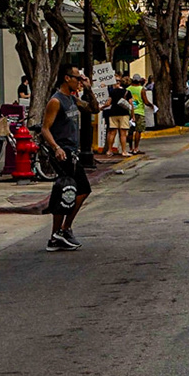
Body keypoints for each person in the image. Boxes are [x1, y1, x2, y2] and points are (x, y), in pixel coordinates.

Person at [39, 64, 92, 251]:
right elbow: (45, 128)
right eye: (77, 77)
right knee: (68, 190)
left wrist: (89, 88)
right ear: (66, 78)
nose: (79, 80)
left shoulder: (73, 99)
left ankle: (62, 231)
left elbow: (94, 109)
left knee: (78, 191)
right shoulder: (56, 101)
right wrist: (56, 148)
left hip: (73, 152)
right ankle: (58, 234)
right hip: (64, 152)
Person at [104, 77, 132, 156]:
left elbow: (108, 103)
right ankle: (124, 151)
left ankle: (109, 150)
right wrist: (132, 115)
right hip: (124, 113)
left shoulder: (113, 91)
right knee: (123, 133)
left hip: (113, 113)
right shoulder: (127, 92)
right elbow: (131, 104)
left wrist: (101, 107)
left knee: (112, 132)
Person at [127, 76, 146, 155]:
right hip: (139, 111)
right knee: (138, 130)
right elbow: (145, 101)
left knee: (130, 131)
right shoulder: (141, 89)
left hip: (130, 111)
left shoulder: (128, 89)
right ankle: (136, 148)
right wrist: (151, 105)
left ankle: (130, 148)